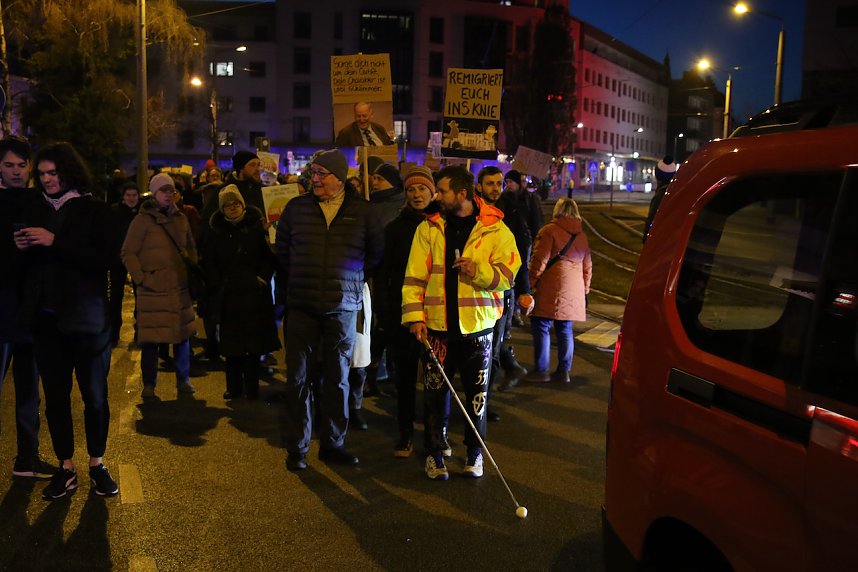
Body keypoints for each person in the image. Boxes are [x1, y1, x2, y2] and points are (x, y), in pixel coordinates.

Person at [13, 141, 119, 499]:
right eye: (41, 174)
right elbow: (27, 269)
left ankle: (97, 464)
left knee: (94, 396)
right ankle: (66, 467)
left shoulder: (95, 210)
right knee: (55, 397)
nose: (47, 180)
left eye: (52, 173)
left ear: (68, 171)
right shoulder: (34, 208)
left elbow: (102, 260)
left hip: (87, 322)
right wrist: (23, 248)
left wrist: (54, 240)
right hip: (46, 321)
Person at [402, 165, 520, 481]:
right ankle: (436, 454)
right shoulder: (428, 229)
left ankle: (474, 453)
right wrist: (414, 317)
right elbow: (414, 277)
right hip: (437, 329)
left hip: (478, 329)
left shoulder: (496, 230)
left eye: (442, 190)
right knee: (434, 397)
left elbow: (509, 277)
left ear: (462, 194)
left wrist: (478, 270)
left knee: (477, 399)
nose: (435, 195)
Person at [275, 149, 383, 471]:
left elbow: (375, 256)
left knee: (338, 380)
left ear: (340, 177)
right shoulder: (296, 209)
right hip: (302, 307)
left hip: (342, 309)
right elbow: (283, 253)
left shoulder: (364, 213)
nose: (316, 180)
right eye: (314, 173)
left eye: (323, 174)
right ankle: (298, 447)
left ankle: (333, 444)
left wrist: (349, 280)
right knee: (297, 380)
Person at [0, 136, 57, 479]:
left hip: (31, 308)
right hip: (2, 304)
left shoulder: (39, 202)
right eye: (9, 165)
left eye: (22, 165)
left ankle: (27, 458)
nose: (17, 172)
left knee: (28, 387)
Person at [377, 165, 436, 457]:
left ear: (432, 191)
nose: (416, 194)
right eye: (411, 189)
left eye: (421, 188)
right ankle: (405, 434)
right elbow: (384, 275)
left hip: (437, 317)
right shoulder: (395, 228)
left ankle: (436, 435)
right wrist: (386, 315)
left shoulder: (443, 225)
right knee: (404, 379)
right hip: (403, 318)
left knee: (435, 380)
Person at [121, 173, 198, 399]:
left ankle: (183, 380)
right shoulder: (142, 221)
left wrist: (190, 271)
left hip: (178, 288)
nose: (168, 195)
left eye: (171, 191)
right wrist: (142, 278)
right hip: (153, 290)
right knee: (151, 341)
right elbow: (128, 252)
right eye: (163, 190)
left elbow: (192, 249)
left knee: (182, 336)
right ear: (154, 193)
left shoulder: (181, 219)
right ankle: (149, 384)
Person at [203, 185, 279, 400]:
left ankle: (252, 387)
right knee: (232, 345)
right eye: (227, 205)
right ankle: (234, 387)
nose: (232, 208)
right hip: (229, 295)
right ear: (221, 209)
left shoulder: (257, 226)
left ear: (243, 204)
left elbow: (269, 258)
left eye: (235, 203)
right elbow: (210, 261)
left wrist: (263, 278)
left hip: (254, 294)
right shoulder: (216, 231)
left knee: (253, 345)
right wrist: (217, 284)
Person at [475, 166, 531, 399]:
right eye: (490, 184)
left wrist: (524, 290)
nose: (496, 188)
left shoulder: (511, 212)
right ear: (479, 186)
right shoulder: (471, 211)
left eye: (499, 184)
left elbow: (520, 256)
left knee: (492, 348)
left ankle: (483, 403)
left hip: (501, 290)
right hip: (474, 289)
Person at [524, 198, 592, 383]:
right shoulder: (582, 236)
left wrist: (530, 283)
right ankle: (564, 371)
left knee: (541, 325)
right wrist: (585, 291)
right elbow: (587, 268)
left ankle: (541, 370)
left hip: (550, 287)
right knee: (565, 328)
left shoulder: (549, 231)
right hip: (574, 289)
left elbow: (539, 260)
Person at [108, 181, 140, 347]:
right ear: (123, 197)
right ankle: (113, 333)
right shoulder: (114, 212)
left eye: (134, 195)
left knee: (139, 296)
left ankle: (139, 332)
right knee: (116, 296)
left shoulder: (141, 212)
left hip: (137, 260)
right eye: (128, 195)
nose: (131, 198)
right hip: (117, 259)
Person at [643, 156, 678, 242]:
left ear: (657, 176)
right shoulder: (676, 191)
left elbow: (652, 220)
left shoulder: (660, 196)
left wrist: (646, 238)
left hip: (660, 240)